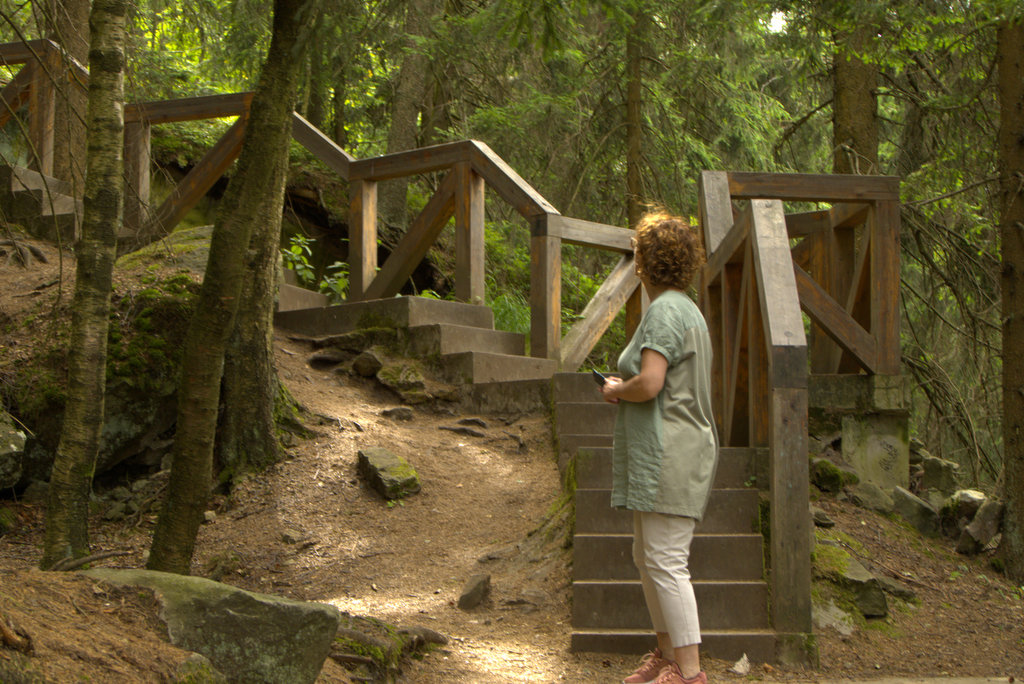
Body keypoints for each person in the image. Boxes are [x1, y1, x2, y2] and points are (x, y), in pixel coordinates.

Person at [599, 211, 718, 684]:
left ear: (644, 262)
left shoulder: (666, 310)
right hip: (665, 449)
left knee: (666, 560)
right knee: (648, 558)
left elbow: (649, 383)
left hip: (671, 451)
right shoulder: (683, 308)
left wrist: (617, 389)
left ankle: (689, 674)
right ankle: (668, 657)